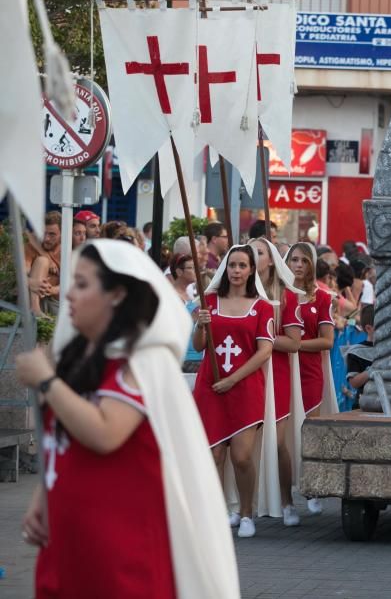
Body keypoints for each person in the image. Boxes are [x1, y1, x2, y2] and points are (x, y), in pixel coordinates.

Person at [17, 240, 240, 598]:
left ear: (117, 294)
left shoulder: (142, 362)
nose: (69, 295)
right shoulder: (75, 357)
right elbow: (62, 439)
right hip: (68, 539)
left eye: (83, 284)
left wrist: (47, 382)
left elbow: (106, 432)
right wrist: (44, 496)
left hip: (120, 547)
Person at [191, 245, 275, 538]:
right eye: (232, 265)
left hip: (245, 388)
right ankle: (217, 511)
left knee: (241, 457)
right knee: (213, 456)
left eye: (242, 266)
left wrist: (233, 379)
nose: (236, 271)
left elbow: (264, 352)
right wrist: (201, 326)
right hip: (210, 386)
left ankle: (247, 512)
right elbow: (200, 345)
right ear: (225, 269)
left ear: (252, 270)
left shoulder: (262, 307)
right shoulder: (209, 301)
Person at [250, 238, 304, 527]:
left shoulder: (286, 295)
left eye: (258, 252)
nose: (251, 257)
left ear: (270, 260)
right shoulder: (240, 292)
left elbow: (294, 343)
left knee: (279, 442)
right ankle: (245, 503)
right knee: (245, 441)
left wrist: (263, 340)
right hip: (247, 371)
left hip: (276, 372)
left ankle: (286, 499)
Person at [286, 242, 337, 515]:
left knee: (309, 430)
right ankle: (284, 495)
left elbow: (327, 341)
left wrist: (295, 345)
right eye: (293, 259)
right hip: (283, 368)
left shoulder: (323, 297)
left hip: (309, 370)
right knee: (283, 432)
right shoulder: (278, 296)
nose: (298, 265)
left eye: (304, 261)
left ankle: (312, 487)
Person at [27, 212, 62, 317]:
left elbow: (71, 282)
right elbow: (21, 272)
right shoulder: (31, 246)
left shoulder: (68, 249)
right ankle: (35, 309)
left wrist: (51, 289)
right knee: (42, 261)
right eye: (43, 233)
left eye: (52, 234)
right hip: (34, 300)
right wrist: (31, 282)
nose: (46, 238)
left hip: (57, 303)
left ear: (62, 233)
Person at [345, 305, 376, 404]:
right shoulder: (356, 352)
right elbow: (354, 382)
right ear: (369, 328)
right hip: (365, 402)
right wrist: (373, 370)